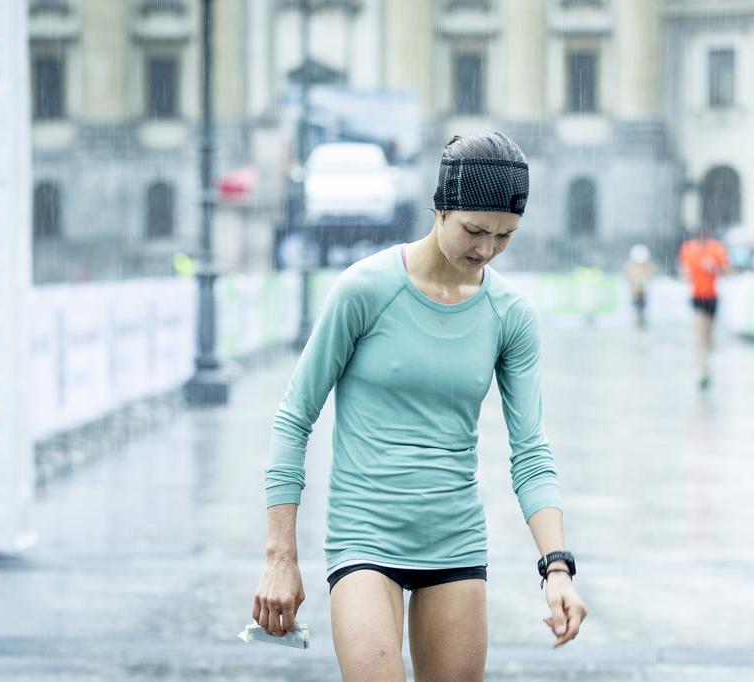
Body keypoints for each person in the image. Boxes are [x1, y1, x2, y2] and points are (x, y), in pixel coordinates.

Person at [252, 132, 587, 681]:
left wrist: (557, 568)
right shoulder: (364, 290)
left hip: (454, 541)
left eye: (505, 236)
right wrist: (279, 557)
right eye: (475, 230)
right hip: (364, 535)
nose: (486, 249)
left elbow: (530, 452)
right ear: (440, 208)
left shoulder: (510, 314)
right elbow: (295, 418)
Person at [678, 227, 730, 389]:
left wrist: (714, 268)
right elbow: (682, 269)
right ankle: (702, 371)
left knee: (708, 337)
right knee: (699, 334)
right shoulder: (688, 249)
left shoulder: (717, 249)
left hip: (712, 297)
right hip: (697, 296)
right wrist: (685, 273)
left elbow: (727, 270)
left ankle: (706, 362)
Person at [622, 243, 657, 329]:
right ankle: (638, 322)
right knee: (637, 308)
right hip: (635, 292)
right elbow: (626, 276)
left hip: (644, 293)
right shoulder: (630, 266)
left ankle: (641, 322)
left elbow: (653, 275)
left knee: (642, 309)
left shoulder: (648, 266)